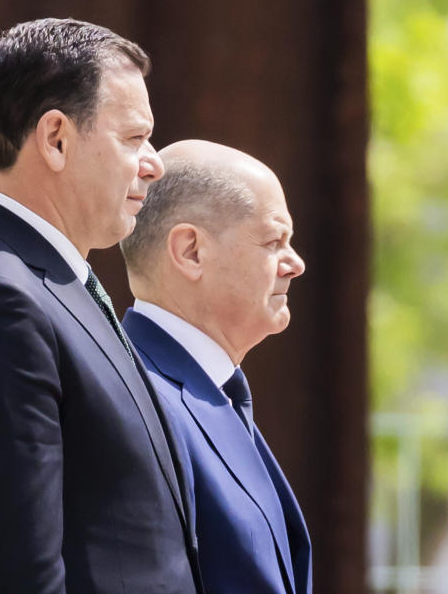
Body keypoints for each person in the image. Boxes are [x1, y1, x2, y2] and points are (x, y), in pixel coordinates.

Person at [0, 19, 200, 594]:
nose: (154, 163)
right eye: (134, 138)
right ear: (56, 138)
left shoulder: (48, 288)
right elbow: (9, 579)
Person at [120, 139, 313, 594]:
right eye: (274, 241)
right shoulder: (137, 401)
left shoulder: (208, 389)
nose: (296, 264)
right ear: (190, 252)